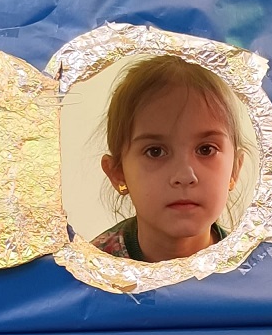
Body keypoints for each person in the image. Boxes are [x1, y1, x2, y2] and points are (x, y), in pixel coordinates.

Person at [92, 55, 243, 262]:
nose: (185, 176)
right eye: (155, 151)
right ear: (118, 174)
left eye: (206, 149)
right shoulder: (84, 273)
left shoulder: (258, 272)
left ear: (235, 169)